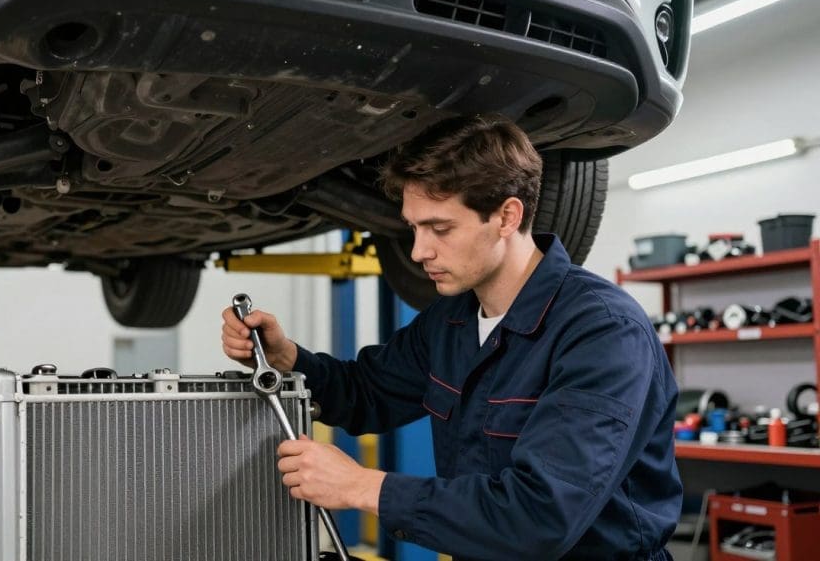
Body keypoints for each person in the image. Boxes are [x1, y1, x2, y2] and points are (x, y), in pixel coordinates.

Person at [220, 115, 682, 561]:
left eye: (440, 228)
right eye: (414, 228)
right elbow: (367, 391)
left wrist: (362, 486)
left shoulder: (602, 332)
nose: (419, 251)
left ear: (506, 216)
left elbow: (541, 517)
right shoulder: (452, 320)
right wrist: (286, 357)